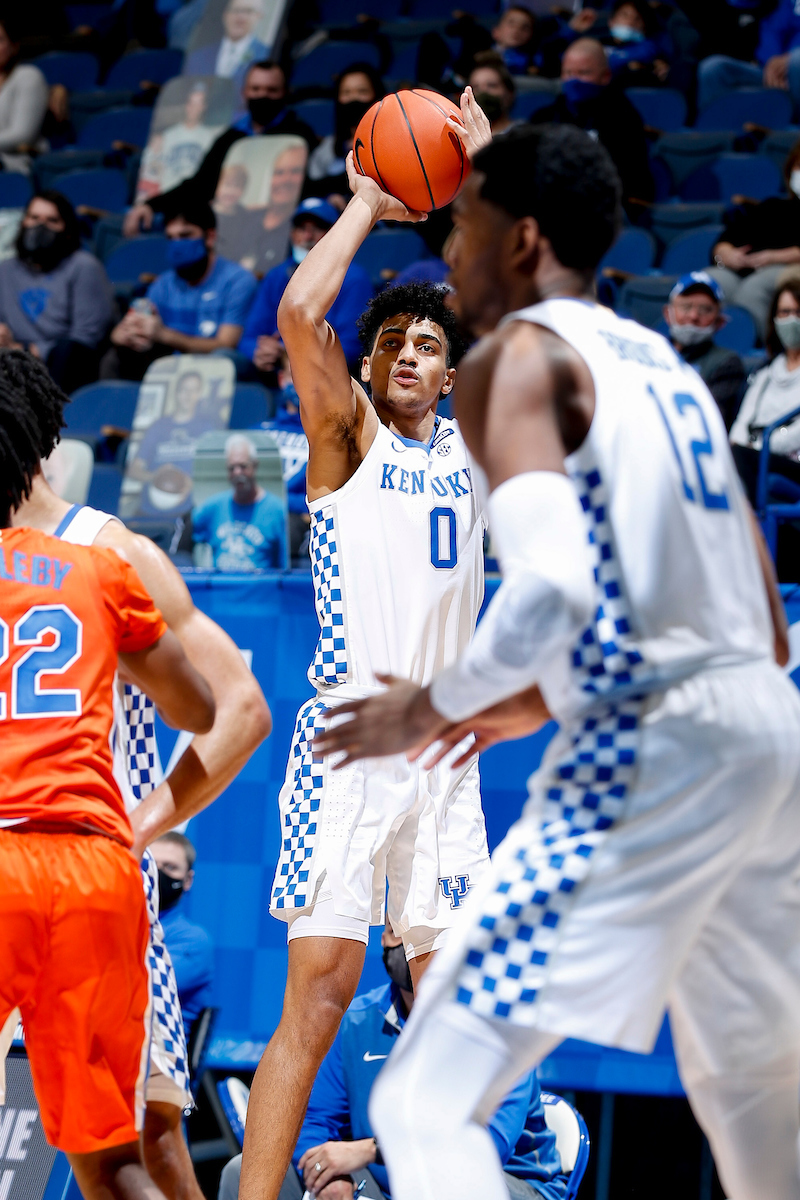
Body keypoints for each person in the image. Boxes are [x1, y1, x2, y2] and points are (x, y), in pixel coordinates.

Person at [314, 124, 800, 1200]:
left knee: (424, 1101)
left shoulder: (511, 362)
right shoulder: (659, 366)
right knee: (751, 1094)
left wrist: (433, 705)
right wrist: (525, 701)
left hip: (652, 747)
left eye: (467, 226)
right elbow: (763, 620)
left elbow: (551, 586)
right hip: (767, 735)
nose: (448, 255)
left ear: (522, 240)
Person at [237, 92, 494, 1200]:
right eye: (390, 338)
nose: (406, 352)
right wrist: (368, 204)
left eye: (428, 344)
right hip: (351, 741)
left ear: (449, 375)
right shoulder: (345, 443)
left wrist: (480, 187)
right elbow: (303, 313)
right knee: (323, 998)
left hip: (448, 760)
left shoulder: (480, 444)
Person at [8, 346, 272, 1200]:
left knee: (155, 1130)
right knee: (121, 1148)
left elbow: (240, 709)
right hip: (71, 869)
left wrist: (145, 819)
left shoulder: (112, 549)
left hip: (93, 848)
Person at [219, 927, 569, 1200]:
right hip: (390, 1182)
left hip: (505, 1184)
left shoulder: (497, 1029)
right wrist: (331, 1173)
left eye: (420, 926)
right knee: (241, 1172)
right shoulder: (358, 1021)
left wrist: (369, 1151)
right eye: (394, 928)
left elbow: (484, 1146)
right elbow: (314, 1120)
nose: (404, 938)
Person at [123, 62, 317, 238]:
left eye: (271, 90)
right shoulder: (229, 138)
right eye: (255, 89)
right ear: (244, 93)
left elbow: (313, 185)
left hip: (283, 230)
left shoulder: (300, 134)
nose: (262, 96)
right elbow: (199, 185)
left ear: (284, 93)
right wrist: (150, 205)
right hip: (232, 232)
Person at [106, 201, 257, 382]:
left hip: (213, 369)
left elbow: (226, 344)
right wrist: (124, 335)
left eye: (185, 236)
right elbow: (132, 323)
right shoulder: (163, 284)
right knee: (114, 358)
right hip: (170, 365)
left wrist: (163, 335)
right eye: (171, 238)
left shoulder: (237, 281)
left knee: (223, 358)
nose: (177, 245)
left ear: (209, 237)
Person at [239, 197, 373, 376]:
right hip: (275, 370)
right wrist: (259, 351)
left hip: (327, 377)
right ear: (292, 234)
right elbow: (248, 339)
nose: (307, 236)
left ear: (336, 233)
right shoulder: (277, 275)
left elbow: (351, 348)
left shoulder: (353, 278)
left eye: (317, 228)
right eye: (301, 229)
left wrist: (292, 353)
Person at [0, 190, 113, 392]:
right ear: (23, 223)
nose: (41, 226)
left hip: (61, 365)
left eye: (52, 220)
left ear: (67, 229)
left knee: (70, 352)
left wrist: (28, 351)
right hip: (11, 361)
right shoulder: (5, 270)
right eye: (34, 218)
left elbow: (86, 338)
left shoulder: (83, 266)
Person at [530, 39, 654, 214]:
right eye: (568, 73)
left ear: (605, 77)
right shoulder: (544, 117)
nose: (574, 81)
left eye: (583, 73)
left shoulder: (624, 117)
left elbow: (630, 177)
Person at [708, 140, 800, 340]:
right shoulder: (772, 206)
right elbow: (726, 239)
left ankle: (750, 344)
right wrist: (724, 253)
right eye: (798, 166)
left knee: (755, 288)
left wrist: (775, 257)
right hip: (743, 269)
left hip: (788, 269)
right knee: (709, 282)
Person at [730, 277, 800, 503]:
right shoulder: (764, 372)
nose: (791, 320)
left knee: (737, 457)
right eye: (784, 312)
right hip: (753, 455)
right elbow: (743, 421)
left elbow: (795, 436)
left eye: (798, 312)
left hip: (791, 461)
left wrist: (755, 448)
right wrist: (741, 445)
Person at [192, 432, 287, 570]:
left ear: (255, 466)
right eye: (232, 468)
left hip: (259, 589)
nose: (237, 473)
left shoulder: (278, 511)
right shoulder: (212, 508)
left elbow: (285, 566)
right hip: (220, 589)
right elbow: (185, 534)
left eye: (243, 466)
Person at [663, 272, 746, 429]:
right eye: (685, 307)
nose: (694, 316)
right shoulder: (652, 352)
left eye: (705, 310)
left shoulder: (727, 363)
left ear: (720, 321)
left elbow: (711, 422)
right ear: (668, 314)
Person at [151, 833, 214, 1034]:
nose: (157, 874)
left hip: (159, 1056)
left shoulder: (193, 940)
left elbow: (139, 989)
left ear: (188, 880)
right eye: (150, 865)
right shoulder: (119, 925)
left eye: (170, 867)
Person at [698, 0, 800, 113]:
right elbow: (771, 31)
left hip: (795, 66)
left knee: (797, 60)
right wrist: (771, 61)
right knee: (713, 68)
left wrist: (790, 58)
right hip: (771, 74)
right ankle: (717, 128)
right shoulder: (785, 3)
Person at [305, 63, 384, 207]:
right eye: (346, 93)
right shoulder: (328, 147)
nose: (354, 99)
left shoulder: (393, 143)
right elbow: (311, 187)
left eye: (362, 91)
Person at [136, 81, 225, 204]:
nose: (193, 108)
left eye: (198, 104)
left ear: (204, 107)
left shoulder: (210, 138)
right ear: (186, 105)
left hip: (196, 201)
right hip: (167, 198)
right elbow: (152, 169)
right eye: (191, 103)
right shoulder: (167, 136)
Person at [237, 141, 308, 277]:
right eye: (279, 172)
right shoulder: (247, 217)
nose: (285, 180)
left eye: (295, 172)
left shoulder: (304, 227)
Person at [185, 0, 269, 97]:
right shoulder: (197, 58)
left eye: (248, 11)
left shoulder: (267, 56)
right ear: (225, 15)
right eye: (235, 10)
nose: (240, 17)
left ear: (259, 16)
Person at [0, 14, 48, 174]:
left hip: (17, 165)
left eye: (0, 40)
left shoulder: (28, 76)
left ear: (14, 45)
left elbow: (22, 135)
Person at [468, 53, 518, 136]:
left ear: (509, 93)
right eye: (476, 87)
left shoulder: (522, 135)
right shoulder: (463, 137)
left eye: (491, 85)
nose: (483, 91)